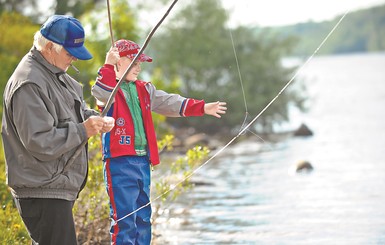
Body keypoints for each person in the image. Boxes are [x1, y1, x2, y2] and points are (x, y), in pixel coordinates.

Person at [91, 39, 227, 244]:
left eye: (140, 63)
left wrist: (202, 107)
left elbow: (170, 102)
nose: (139, 67)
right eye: (134, 62)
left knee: (144, 219)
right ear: (119, 61)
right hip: (118, 162)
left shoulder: (144, 89)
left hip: (142, 162)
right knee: (124, 221)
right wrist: (108, 65)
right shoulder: (109, 88)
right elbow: (100, 93)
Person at [1, 15, 115, 244]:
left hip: (52, 188)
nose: (74, 58)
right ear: (50, 47)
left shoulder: (55, 73)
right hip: (42, 191)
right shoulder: (29, 82)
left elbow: (74, 112)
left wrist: (94, 120)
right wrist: (84, 130)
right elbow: (40, 141)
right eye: (70, 53)